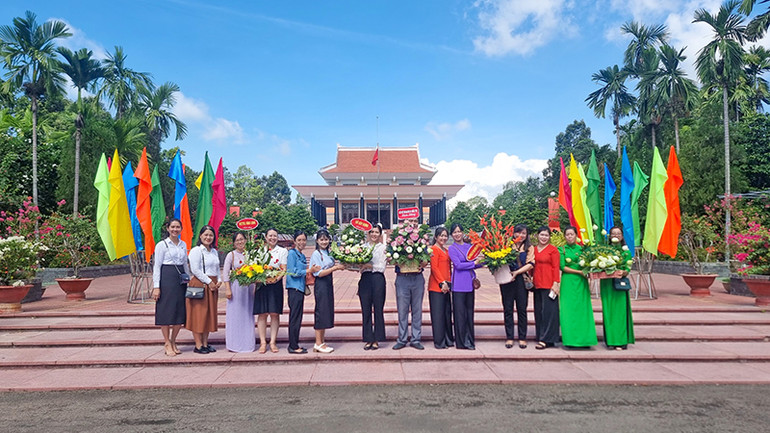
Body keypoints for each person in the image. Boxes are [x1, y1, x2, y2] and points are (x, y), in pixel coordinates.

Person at [151, 218, 189, 357]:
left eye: (178, 227)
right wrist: (156, 286)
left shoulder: (183, 244)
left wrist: (188, 279)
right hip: (166, 279)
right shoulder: (162, 245)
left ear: (181, 229)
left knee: (180, 311)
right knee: (166, 311)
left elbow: (185, 264)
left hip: (180, 280)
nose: (175, 229)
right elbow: (157, 266)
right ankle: (167, 342)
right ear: (168, 228)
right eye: (172, 227)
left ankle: (173, 340)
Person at [558, 226, 597, 348]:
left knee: (582, 309)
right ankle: (570, 340)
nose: (570, 236)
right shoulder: (561, 249)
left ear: (576, 235)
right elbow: (562, 267)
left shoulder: (583, 249)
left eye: (572, 234)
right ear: (564, 236)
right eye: (567, 234)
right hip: (568, 281)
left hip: (581, 282)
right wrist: (580, 272)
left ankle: (585, 340)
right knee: (568, 310)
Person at [392, 221, 429, 351]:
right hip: (402, 278)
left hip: (417, 278)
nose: (412, 224)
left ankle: (415, 339)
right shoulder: (397, 239)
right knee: (402, 311)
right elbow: (392, 259)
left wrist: (423, 264)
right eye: (410, 221)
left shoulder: (421, 240)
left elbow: (426, 259)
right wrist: (397, 260)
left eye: (414, 221)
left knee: (417, 310)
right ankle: (402, 339)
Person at [447, 223, 484, 350]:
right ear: (452, 235)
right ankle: (461, 342)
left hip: (470, 282)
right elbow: (458, 265)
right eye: (454, 232)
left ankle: (470, 340)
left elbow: (475, 264)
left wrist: (485, 260)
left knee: (469, 313)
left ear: (463, 232)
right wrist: (474, 263)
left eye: (459, 231)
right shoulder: (452, 248)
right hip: (458, 284)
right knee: (459, 314)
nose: (457, 234)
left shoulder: (470, 247)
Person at [187, 224, 221, 354]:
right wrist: (209, 282)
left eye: (211, 235)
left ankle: (205, 343)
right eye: (206, 235)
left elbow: (217, 268)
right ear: (200, 236)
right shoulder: (196, 251)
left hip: (212, 286)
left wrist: (219, 280)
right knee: (199, 315)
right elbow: (195, 270)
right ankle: (198, 344)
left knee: (208, 315)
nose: (208, 237)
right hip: (200, 284)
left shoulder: (214, 251)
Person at [310, 229, 345, 353]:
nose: (324, 242)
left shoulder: (329, 253)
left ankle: (322, 341)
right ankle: (318, 343)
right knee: (320, 311)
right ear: (317, 241)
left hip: (328, 283)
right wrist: (335, 268)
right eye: (321, 239)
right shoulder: (316, 254)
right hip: (321, 284)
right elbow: (318, 273)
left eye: (326, 239)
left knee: (325, 311)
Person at [285, 230, 320, 354]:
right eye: (299, 240)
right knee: (294, 317)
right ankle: (293, 346)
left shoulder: (302, 255)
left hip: (300, 289)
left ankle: (295, 343)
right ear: (294, 241)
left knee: (298, 317)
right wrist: (309, 270)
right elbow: (292, 271)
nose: (302, 242)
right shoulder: (292, 254)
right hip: (294, 289)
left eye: (304, 240)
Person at [253, 228, 287, 354]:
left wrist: (275, 279)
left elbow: (283, 269)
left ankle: (273, 342)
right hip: (261, 285)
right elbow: (254, 268)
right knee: (262, 314)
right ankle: (263, 342)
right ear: (266, 237)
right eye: (270, 236)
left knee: (274, 313)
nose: (273, 238)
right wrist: (260, 278)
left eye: (275, 236)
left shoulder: (282, 251)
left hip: (275, 285)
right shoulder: (259, 251)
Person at [600, 226, 635, 350]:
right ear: (609, 236)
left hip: (619, 285)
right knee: (608, 312)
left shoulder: (625, 252)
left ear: (622, 236)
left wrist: (623, 272)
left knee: (620, 313)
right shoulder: (604, 251)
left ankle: (620, 341)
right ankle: (610, 340)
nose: (616, 236)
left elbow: (627, 268)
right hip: (606, 284)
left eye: (618, 233)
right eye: (613, 234)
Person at [222, 231, 255, 353]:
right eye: (237, 240)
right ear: (234, 243)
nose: (240, 242)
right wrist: (228, 289)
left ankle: (247, 344)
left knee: (247, 315)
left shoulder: (250, 255)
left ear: (245, 240)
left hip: (248, 289)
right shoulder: (231, 255)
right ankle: (234, 344)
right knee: (235, 316)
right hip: (236, 288)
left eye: (242, 239)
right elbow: (226, 273)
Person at [358, 224, 387, 350]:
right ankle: (368, 338)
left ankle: (377, 339)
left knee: (378, 309)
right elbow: (359, 266)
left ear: (380, 234)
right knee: (366, 309)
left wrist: (369, 266)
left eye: (376, 232)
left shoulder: (383, 248)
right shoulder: (362, 247)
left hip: (378, 279)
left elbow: (382, 267)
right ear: (368, 234)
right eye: (372, 232)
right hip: (365, 279)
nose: (374, 234)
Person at [506, 224, 534, 349]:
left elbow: (531, 264)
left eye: (524, 233)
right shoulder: (507, 245)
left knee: (522, 309)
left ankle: (522, 337)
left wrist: (517, 272)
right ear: (513, 233)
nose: (521, 235)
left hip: (521, 280)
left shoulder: (529, 247)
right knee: (508, 309)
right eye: (518, 232)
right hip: (507, 280)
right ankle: (509, 337)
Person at [532, 226, 561, 349]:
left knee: (550, 312)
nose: (544, 237)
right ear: (537, 235)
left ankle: (547, 339)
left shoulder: (553, 250)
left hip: (549, 284)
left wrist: (556, 283)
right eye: (542, 235)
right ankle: (540, 335)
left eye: (546, 235)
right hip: (537, 284)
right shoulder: (533, 249)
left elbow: (556, 267)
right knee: (539, 311)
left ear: (549, 237)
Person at [428, 226, 454, 349]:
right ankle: (439, 341)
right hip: (436, 287)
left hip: (447, 286)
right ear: (436, 237)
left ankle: (448, 339)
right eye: (441, 235)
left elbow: (449, 268)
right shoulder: (433, 249)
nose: (443, 238)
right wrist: (441, 282)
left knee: (446, 314)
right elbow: (434, 268)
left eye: (445, 236)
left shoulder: (446, 251)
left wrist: (449, 283)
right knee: (438, 315)